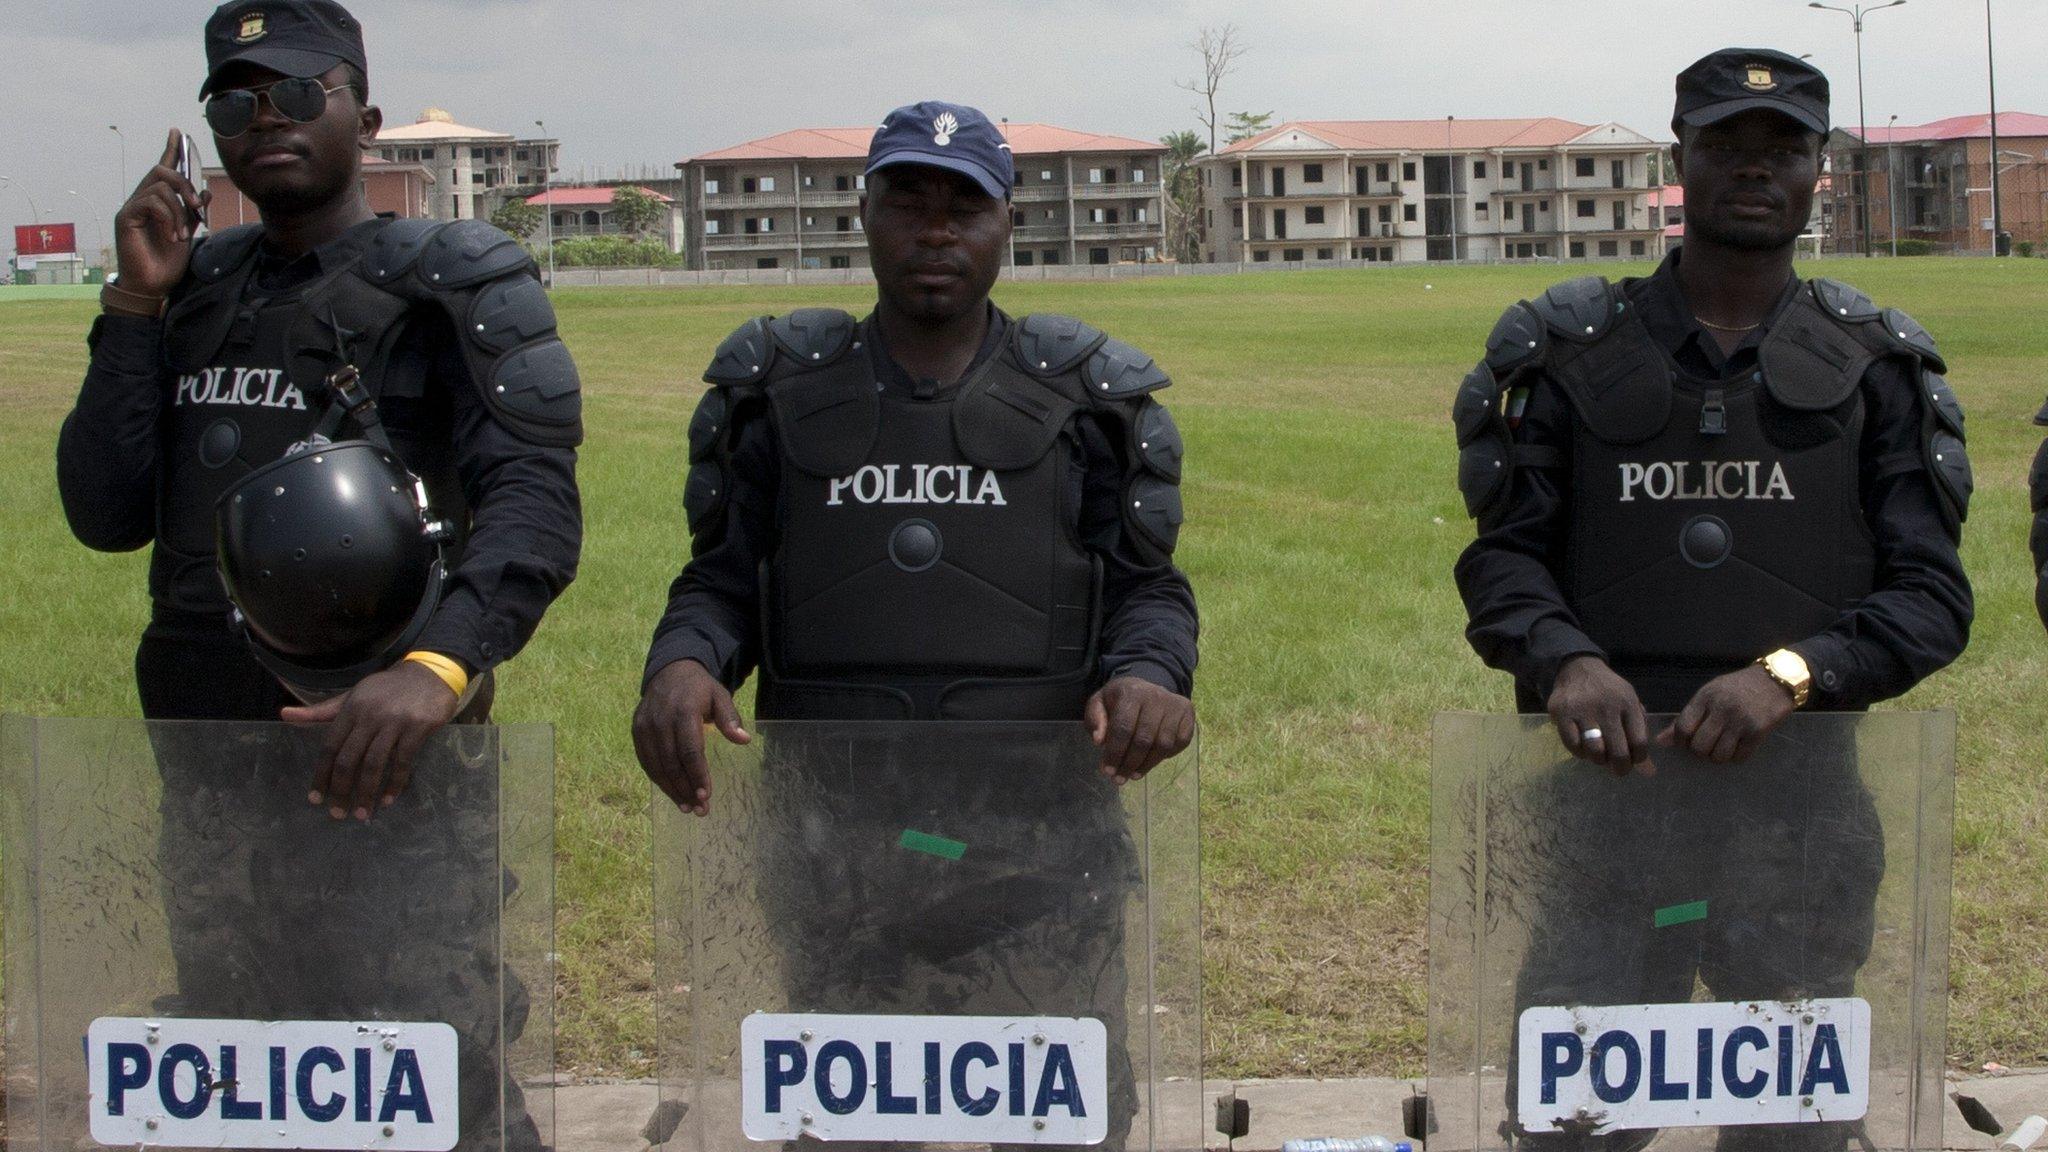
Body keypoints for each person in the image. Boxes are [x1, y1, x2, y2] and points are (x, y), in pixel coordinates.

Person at [54, 3, 580, 1147]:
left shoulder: (452, 283)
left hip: (384, 751)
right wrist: (135, 303)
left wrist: (439, 667)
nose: (267, 122)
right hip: (207, 752)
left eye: (298, 94)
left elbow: (535, 505)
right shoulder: (192, 290)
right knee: (245, 1059)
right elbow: (102, 514)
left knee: (431, 1070)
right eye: (236, 104)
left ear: (365, 116)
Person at [632, 101, 1198, 1149]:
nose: (935, 231)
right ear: (866, 212)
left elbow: (1147, 589)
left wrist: (1152, 673)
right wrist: (683, 660)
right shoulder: (780, 395)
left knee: (1059, 1131)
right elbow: (720, 580)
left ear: (1005, 223)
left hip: (1038, 849)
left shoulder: (1083, 401)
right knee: (850, 1131)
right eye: (908, 202)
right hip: (841, 846)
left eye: (962, 208)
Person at [1450, 48, 1971, 1152]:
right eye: (1724, 144)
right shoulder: (1565, 353)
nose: (1752, 169)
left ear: (1815, 170)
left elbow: (1928, 597)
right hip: (1606, 812)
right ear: (1677, 160)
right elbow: (1502, 563)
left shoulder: (1874, 367)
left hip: (1798, 827)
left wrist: (1789, 676)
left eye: (1779, 147)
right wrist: (1563, 662)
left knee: (1789, 1131)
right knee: (1571, 1126)